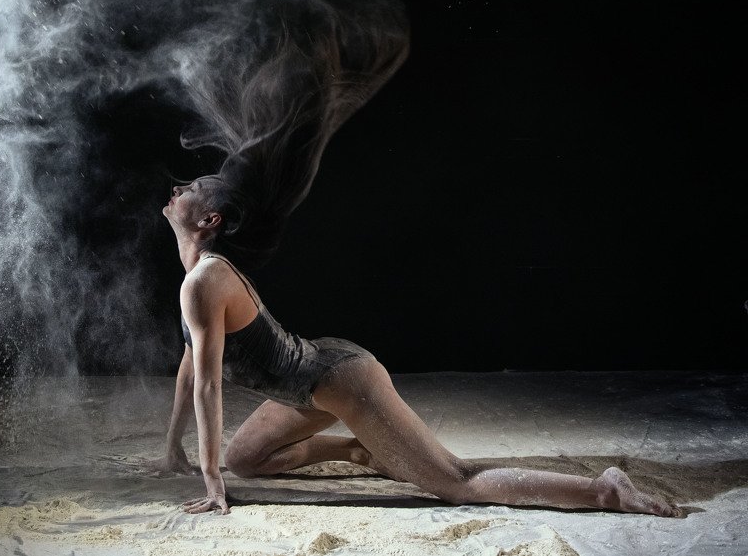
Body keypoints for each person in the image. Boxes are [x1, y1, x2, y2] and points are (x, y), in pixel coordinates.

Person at [157, 175, 684, 518]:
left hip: (342, 381)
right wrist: (175, 447)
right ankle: (363, 450)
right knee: (246, 459)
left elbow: (209, 385)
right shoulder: (197, 281)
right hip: (307, 385)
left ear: (210, 220)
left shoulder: (206, 279)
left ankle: (605, 490)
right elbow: (190, 367)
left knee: (459, 483)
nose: (179, 187)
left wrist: (212, 482)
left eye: (193, 187)